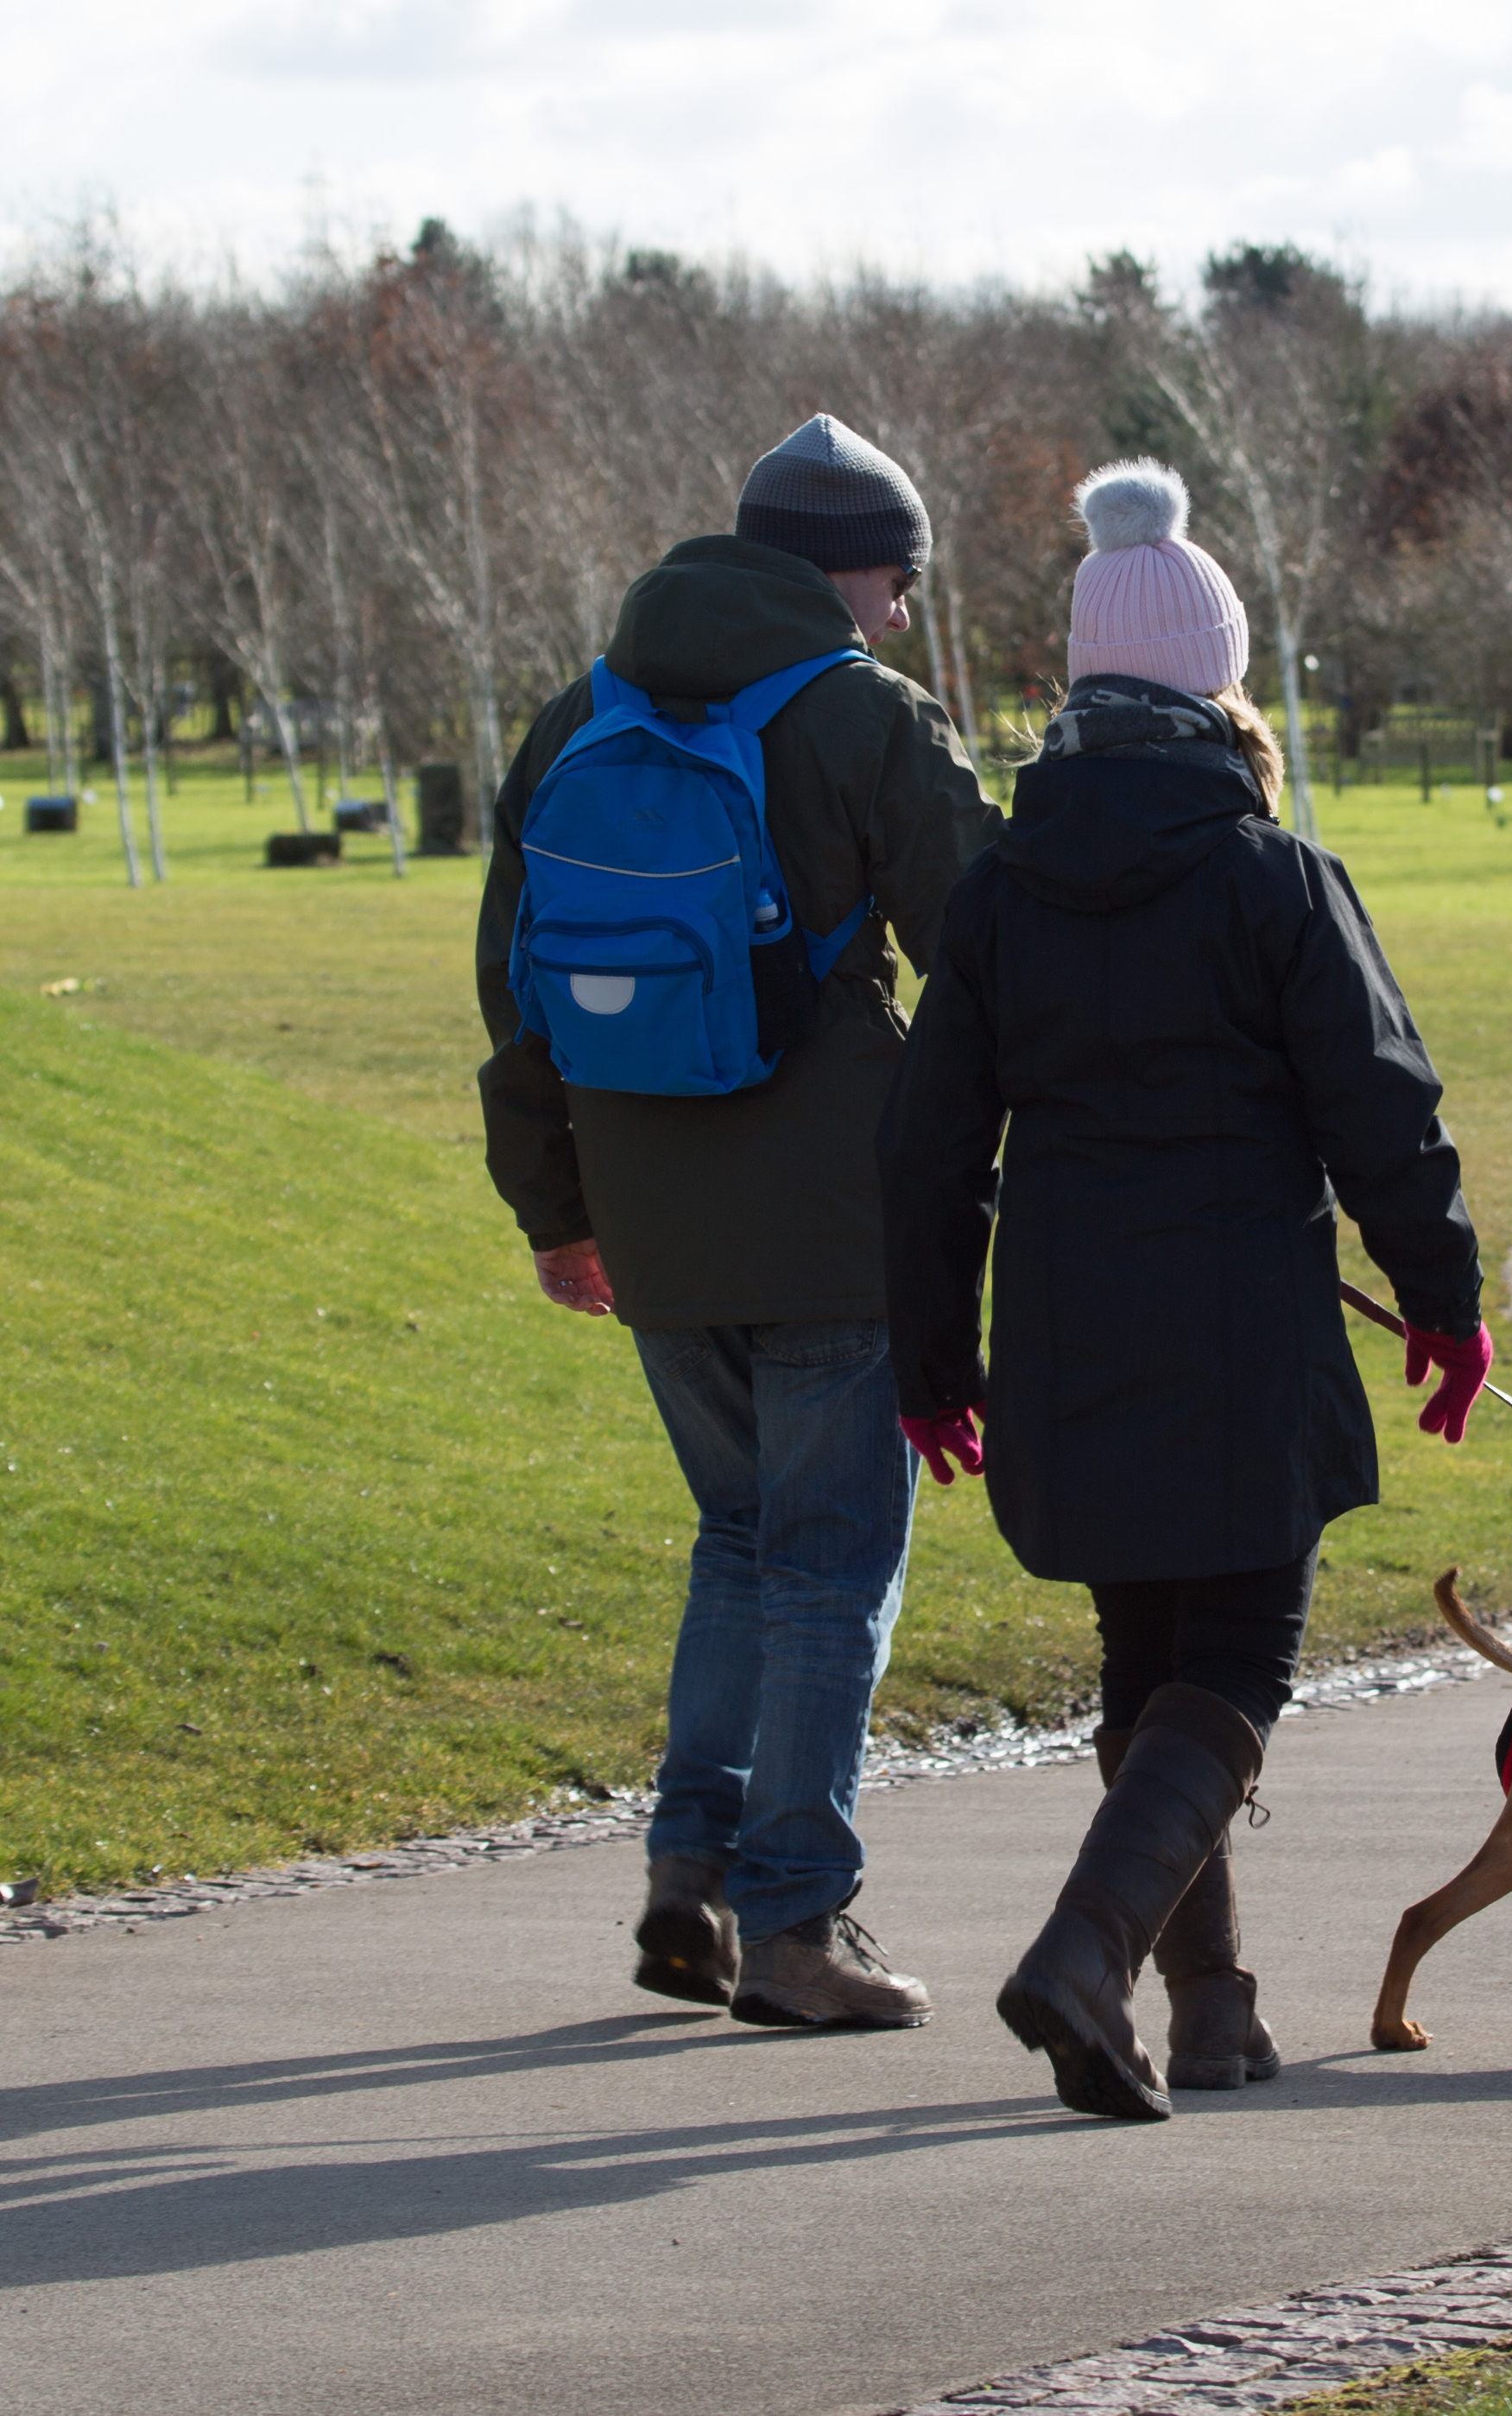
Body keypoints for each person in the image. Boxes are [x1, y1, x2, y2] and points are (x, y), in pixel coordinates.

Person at [878, 458, 1491, 2122]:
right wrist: (1443, 1297)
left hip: (1070, 1330)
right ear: (1217, 682)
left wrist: (931, 1358)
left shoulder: (999, 892)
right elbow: (1386, 1105)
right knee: (1234, 1651)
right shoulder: (1272, 876)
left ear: (1082, 684)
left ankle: (1210, 2008)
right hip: (1241, 1330)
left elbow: (928, 1153)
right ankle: (1088, 1955)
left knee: (1147, 1658)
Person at [476, 415, 1001, 2029]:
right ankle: (796, 1922)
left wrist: (556, 1210)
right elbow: (983, 963)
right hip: (835, 1215)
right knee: (832, 1568)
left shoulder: (582, 712)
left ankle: (687, 1877)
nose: (904, 612)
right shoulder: (865, 718)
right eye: (900, 578)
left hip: (648, 1219)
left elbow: (511, 986)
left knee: (739, 1540)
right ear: (849, 570)